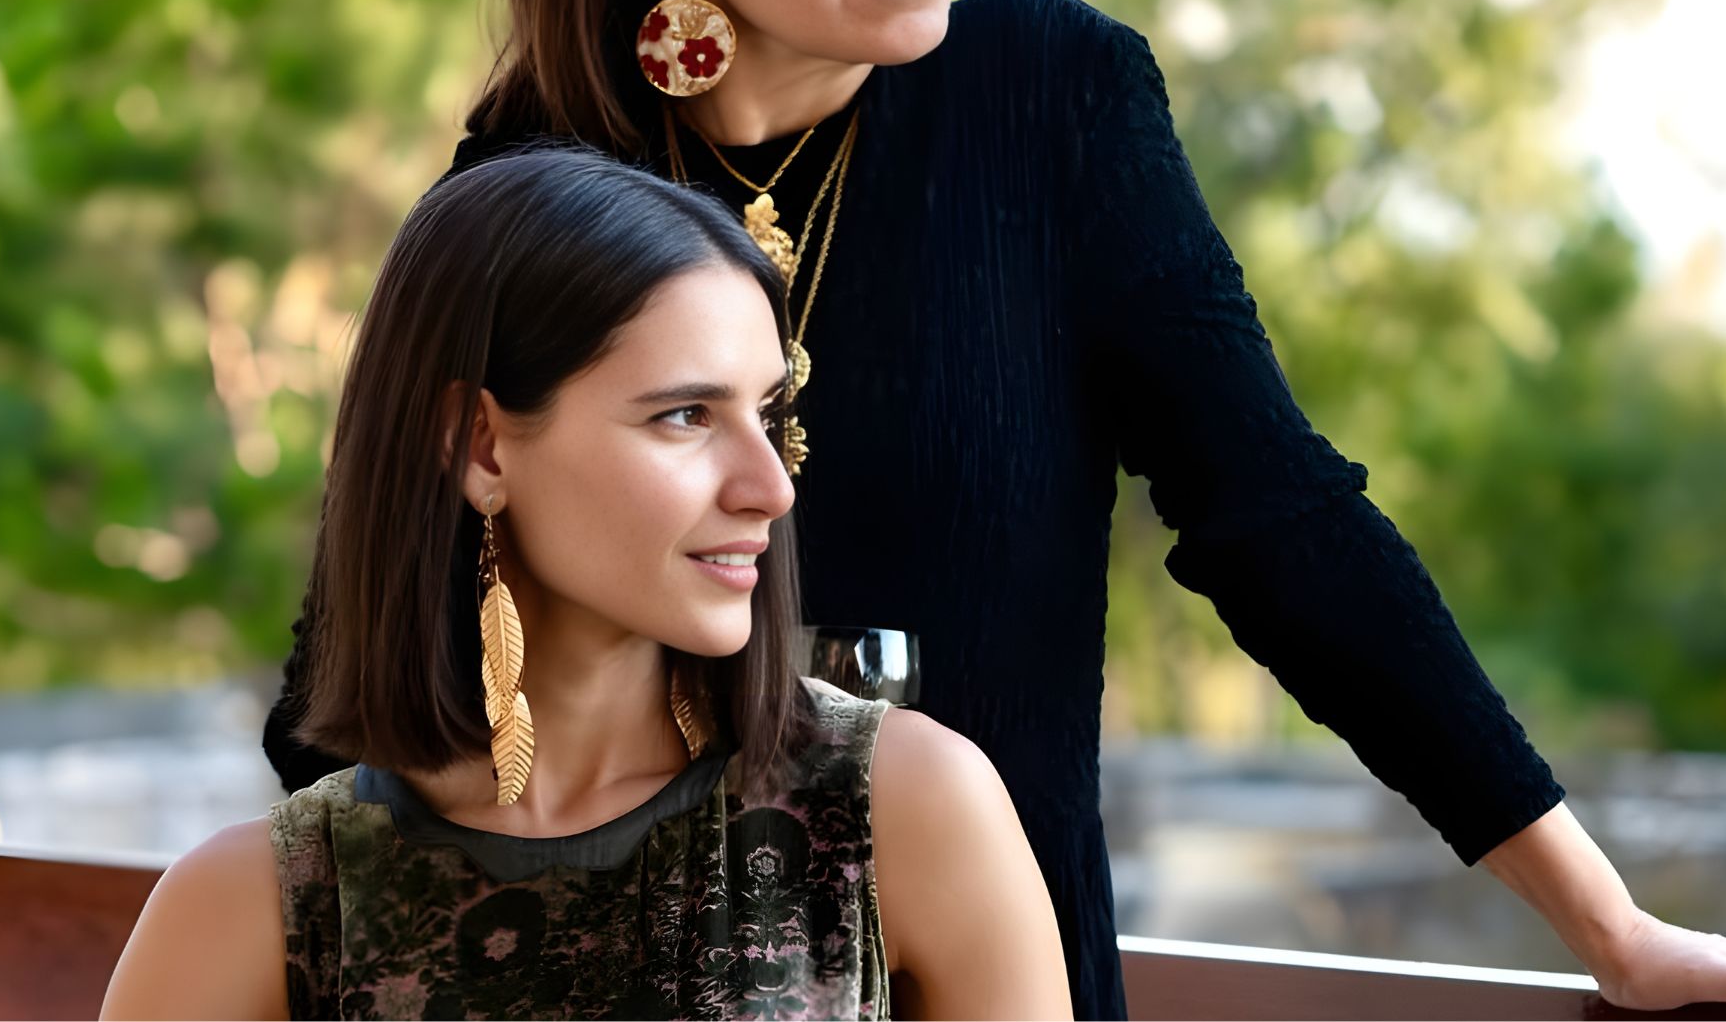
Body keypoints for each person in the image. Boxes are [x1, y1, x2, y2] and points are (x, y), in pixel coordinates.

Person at [265, 0, 1726, 1017]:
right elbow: (356, 663)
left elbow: (1282, 523)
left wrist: (1609, 924)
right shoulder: (531, 176)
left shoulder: (1050, 96)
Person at [102, 147, 1071, 1019]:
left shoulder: (902, 810)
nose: (770, 487)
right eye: (685, 415)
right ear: (480, 446)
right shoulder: (254, 909)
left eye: (768, 415)